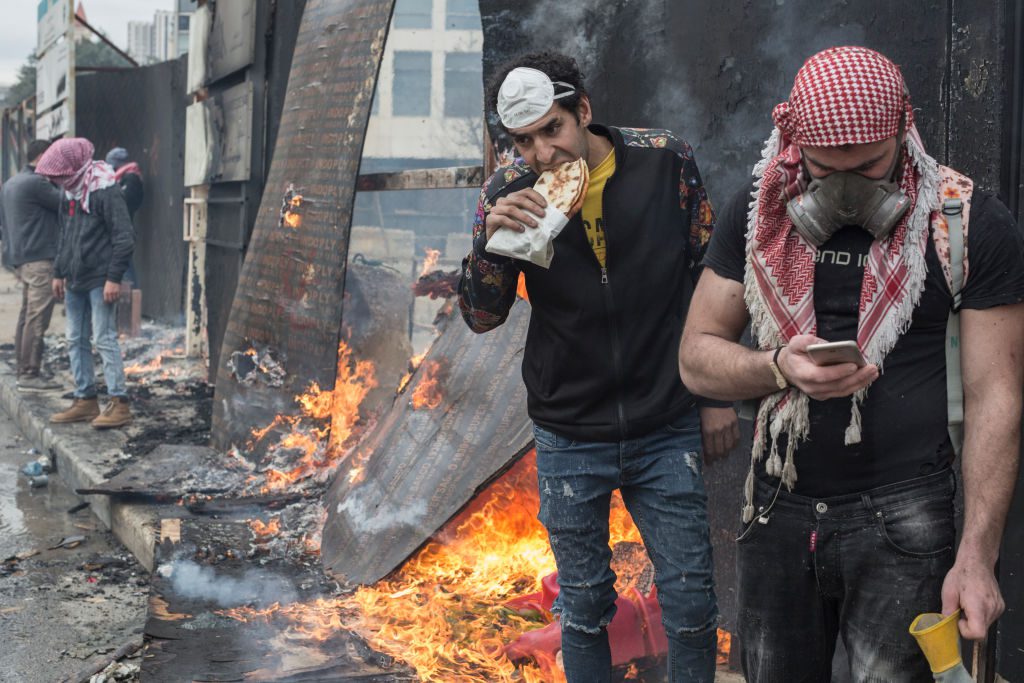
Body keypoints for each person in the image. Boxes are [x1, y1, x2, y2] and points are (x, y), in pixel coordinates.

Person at [679, 46, 1024, 682]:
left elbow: (997, 396)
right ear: (793, 142)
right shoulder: (757, 215)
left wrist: (977, 557)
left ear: (903, 128)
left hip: (907, 517)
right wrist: (778, 366)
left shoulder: (965, 222)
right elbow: (696, 359)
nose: (845, 192)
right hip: (777, 507)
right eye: (823, 171)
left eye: (868, 169)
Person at [457, 51, 738, 683]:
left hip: (665, 419)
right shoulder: (507, 192)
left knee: (692, 603)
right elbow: (481, 317)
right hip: (568, 431)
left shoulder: (666, 160)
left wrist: (717, 395)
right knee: (584, 609)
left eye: (552, 130)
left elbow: (711, 280)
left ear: (582, 111)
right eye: (524, 141)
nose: (543, 154)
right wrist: (489, 246)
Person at [36, 138, 135, 429]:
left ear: (74, 168)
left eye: (59, 176)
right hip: (75, 279)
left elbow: (124, 237)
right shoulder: (71, 192)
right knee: (75, 339)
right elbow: (65, 235)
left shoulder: (105, 190)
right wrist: (58, 271)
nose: (56, 181)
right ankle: (85, 399)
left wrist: (113, 278)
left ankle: (119, 403)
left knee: (103, 338)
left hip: (100, 279)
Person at [0, 139, 63, 391]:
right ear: (43, 156)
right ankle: (29, 373)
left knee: (27, 315)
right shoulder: (37, 183)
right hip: (40, 259)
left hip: (22, 257)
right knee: (37, 317)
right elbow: (65, 204)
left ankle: (22, 368)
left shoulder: (12, 183)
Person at [105, 147, 143, 286]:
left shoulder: (131, 179)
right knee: (122, 266)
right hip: (120, 230)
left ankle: (133, 300)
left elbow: (124, 202)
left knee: (125, 267)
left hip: (123, 231)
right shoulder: (123, 179)